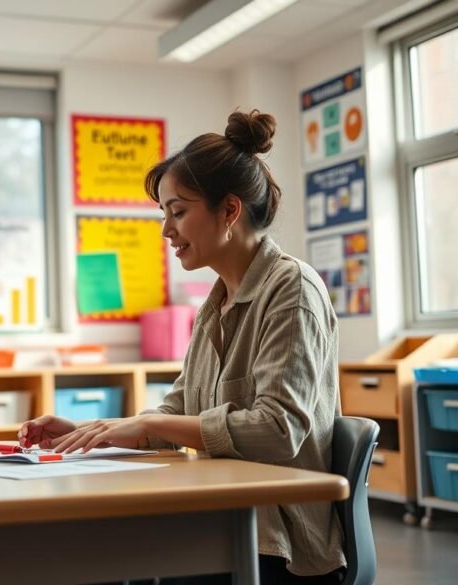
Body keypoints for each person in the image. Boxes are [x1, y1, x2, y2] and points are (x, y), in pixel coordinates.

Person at [20, 110, 345, 584]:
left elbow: (278, 430)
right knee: (102, 556)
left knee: (114, 566)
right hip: (227, 518)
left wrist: (150, 422)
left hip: (279, 543)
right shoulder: (215, 303)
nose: (166, 231)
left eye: (178, 211)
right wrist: (98, 432)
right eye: (164, 214)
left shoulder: (292, 291)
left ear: (229, 211)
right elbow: (181, 410)